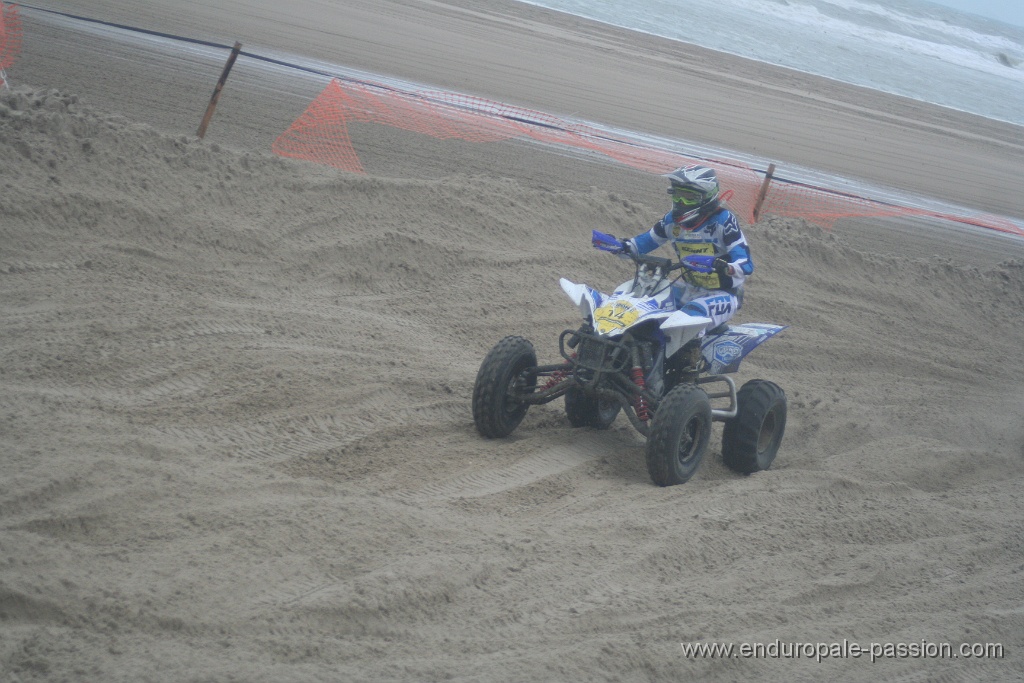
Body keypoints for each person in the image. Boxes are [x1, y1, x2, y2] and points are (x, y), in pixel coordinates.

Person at [619, 165, 753, 333]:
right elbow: (643, 243)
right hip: (689, 289)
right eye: (678, 195)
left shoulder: (723, 221)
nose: (681, 202)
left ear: (706, 197)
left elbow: (746, 263)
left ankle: (690, 358)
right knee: (642, 301)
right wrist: (621, 246)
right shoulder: (671, 222)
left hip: (723, 294)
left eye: (689, 197)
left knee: (688, 321)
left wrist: (723, 265)